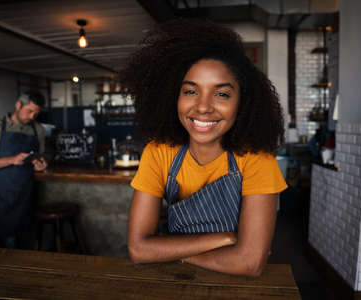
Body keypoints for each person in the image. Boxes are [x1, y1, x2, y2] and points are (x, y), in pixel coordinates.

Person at [121, 19, 287, 276]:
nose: (202, 107)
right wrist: (223, 239)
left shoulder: (257, 160)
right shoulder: (159, 152)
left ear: (242, 103)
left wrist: (170, 251)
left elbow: (250, 264)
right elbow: (139, 250)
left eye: (221, 94)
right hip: (178, 282)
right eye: (190, 91)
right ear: (172, 96)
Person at [0, 91, 48, 248]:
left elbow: (39, 157)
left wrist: (41, 165)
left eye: (36, 113)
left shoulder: (37, 130)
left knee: (15, 261)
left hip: (20, 204)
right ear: (18, 105)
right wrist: (11, 160)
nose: (32, 117)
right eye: (29, 111)